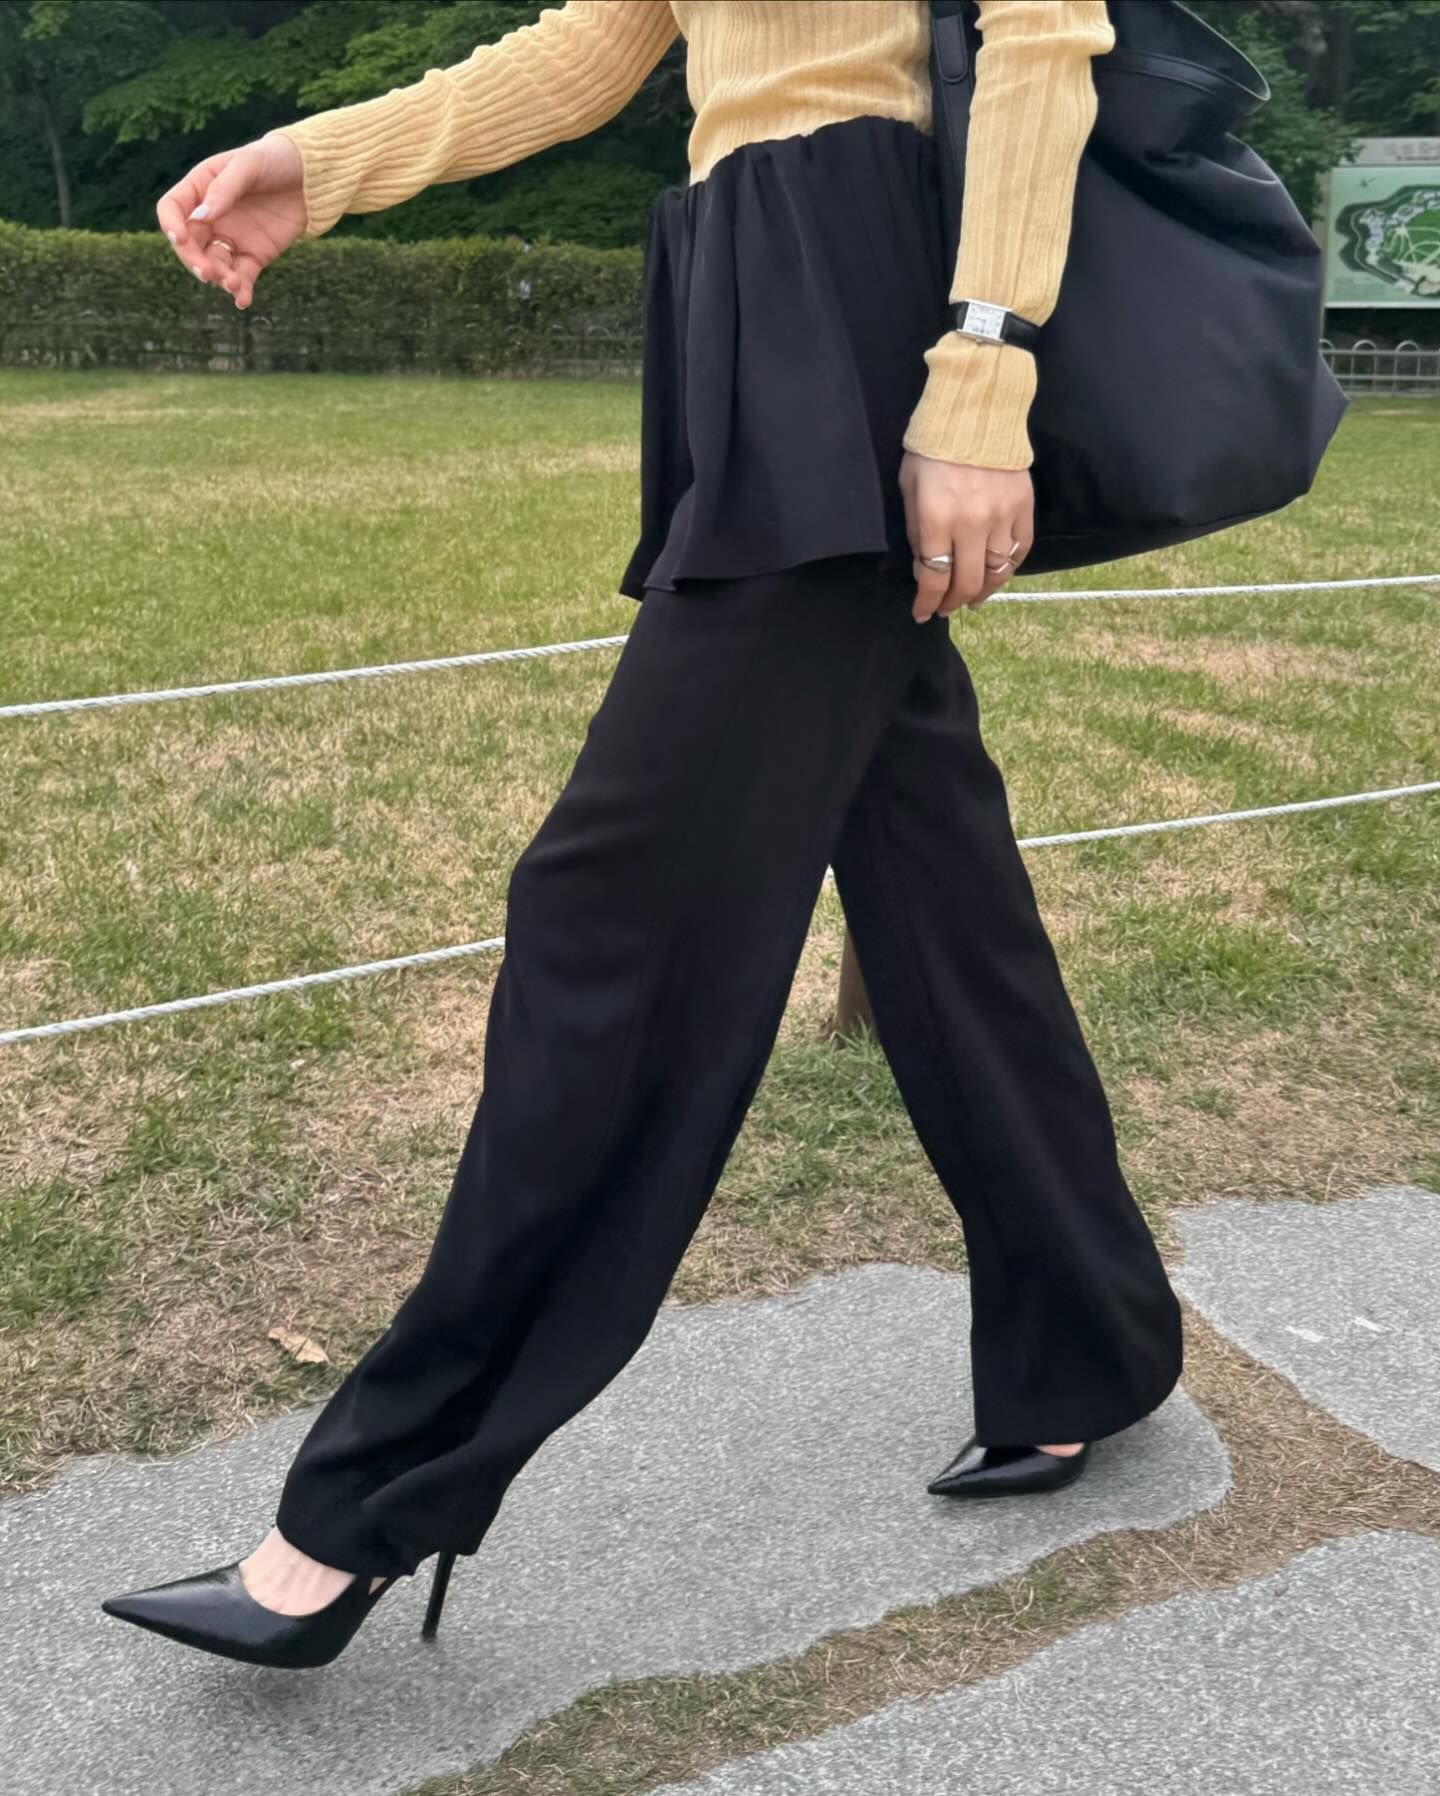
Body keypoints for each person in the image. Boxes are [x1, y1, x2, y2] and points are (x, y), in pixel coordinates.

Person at [103, 0, 1185, 1671]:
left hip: (869, 293)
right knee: (935, 892)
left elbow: (1045, 35)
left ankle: (369, 1507)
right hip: (743, 283)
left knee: (613, 910)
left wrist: (983, 366)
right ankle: (1089, 1343)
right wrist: (316, 164)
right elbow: (596, 45)